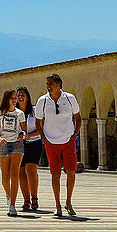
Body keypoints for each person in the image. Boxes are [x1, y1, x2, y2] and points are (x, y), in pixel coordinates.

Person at [35, 73, 81, 217]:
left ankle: (68, 202)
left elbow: (78, 117)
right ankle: (58, 205)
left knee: (71, 172)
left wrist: (75, 134)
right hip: (51, 142)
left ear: (59, 85)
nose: (48, 86)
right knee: (55, 174)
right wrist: (44, 137)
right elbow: (38, 121)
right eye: (47, 84)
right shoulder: (42, 100)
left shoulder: (70, 98)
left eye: (50, 84)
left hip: (68, 141)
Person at [0, 89, 26, 217]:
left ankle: (12, 205)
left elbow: (24, 130)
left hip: (17, 145)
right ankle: (9, 195)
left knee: (15, 174)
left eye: (15, 98)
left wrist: (22, 135)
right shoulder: (0, 114)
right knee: (5, 178)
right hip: (4, 144)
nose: (14, 100)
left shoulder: (20, 114)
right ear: (6, 99)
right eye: (12, 97)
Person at [16, 86, 42, 211]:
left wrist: (29, 135)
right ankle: (26, 199)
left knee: (30, 169)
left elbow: (41, 128)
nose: (21, 97)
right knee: (21, 171)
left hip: (34, 143)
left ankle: (34, 198)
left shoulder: (35, 111)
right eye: (19, 95)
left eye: (23, 95)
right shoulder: (14, 112)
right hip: (19, 144)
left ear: (27, 97)